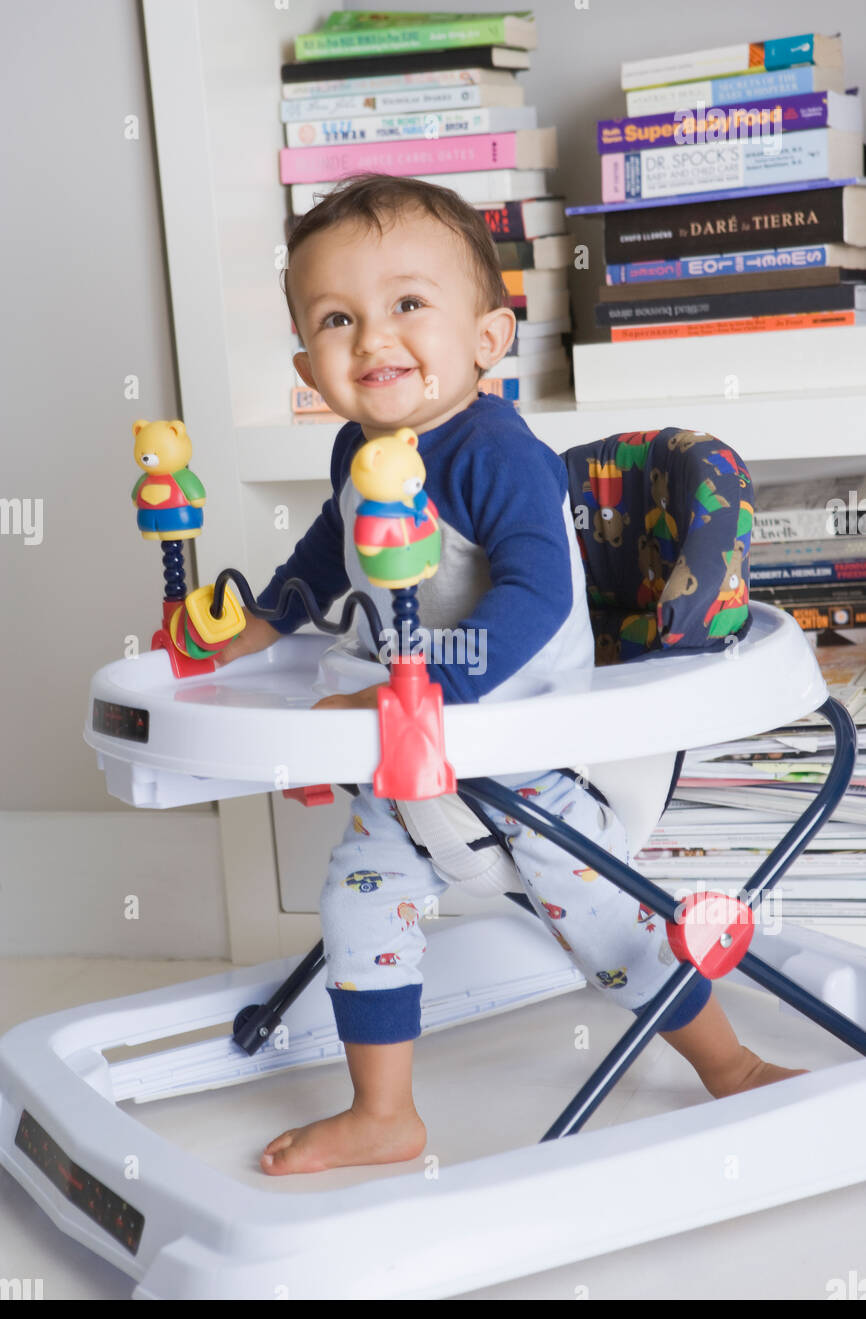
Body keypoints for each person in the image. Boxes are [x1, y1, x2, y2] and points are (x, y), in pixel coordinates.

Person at [215, 174, 804, 1175]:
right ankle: (384, 1111)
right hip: (411, 759)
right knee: (357, 901)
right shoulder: (361, 451)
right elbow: (331, 545)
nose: (371, 339)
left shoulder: (494, 454)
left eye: (407, 304)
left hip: (533, 754)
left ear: (487, 338)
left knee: (606, 922)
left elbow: (532, 596)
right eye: (336, 318)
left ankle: (728, 1061)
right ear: (305, 363)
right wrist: (269, 616)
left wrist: (429, 692)